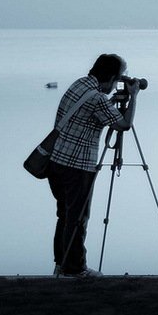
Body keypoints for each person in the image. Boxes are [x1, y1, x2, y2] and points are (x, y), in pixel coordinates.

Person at [47, 53, 134, 277]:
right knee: (77, 218)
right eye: (120, 77)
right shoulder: (97, 99)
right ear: (112, 76)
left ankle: (61, 264)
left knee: (65, 216)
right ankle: (75, 270)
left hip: (56, 161)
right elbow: (124, 125)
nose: (120, 82)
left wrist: (111, 103)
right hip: (77, 166)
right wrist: (134, 98)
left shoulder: (80, 85)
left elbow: (89, 113)